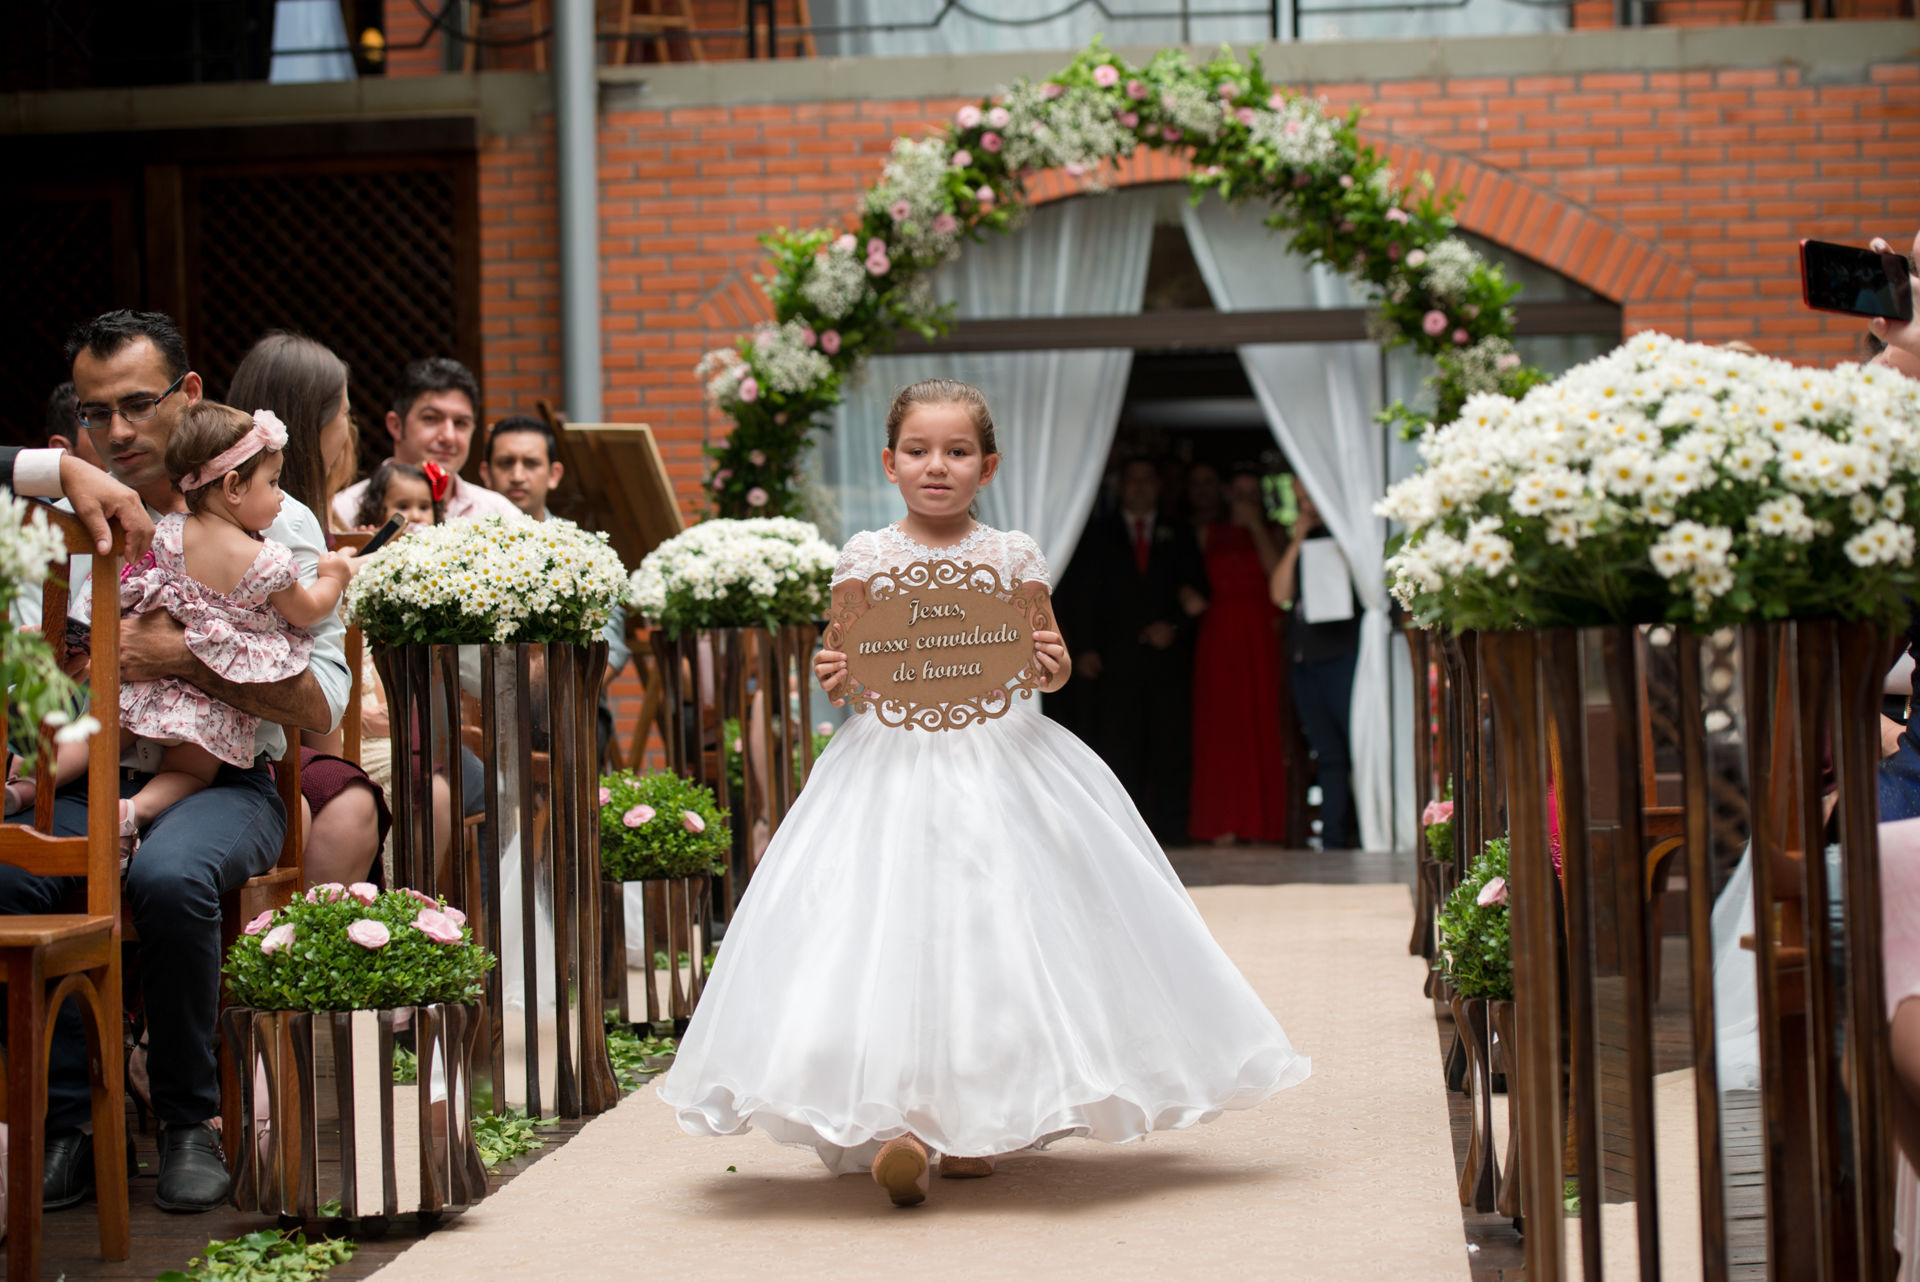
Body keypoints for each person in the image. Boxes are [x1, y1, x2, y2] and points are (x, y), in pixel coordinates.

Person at [656, 378, 1309, 1208]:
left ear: (987, 465)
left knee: (995, 932)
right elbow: (847, 672)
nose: (939, 466)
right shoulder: (865, 556)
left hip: (1000, 756)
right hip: (888, 764)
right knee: (888, 930)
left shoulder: (1014, 556)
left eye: (957, 452)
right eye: (920, 452)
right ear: (890, 463)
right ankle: (903, 1123)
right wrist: (836, 672)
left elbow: (1056, 657)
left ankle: (983, 1123)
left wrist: (1051, 667)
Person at [0, 310, 350, 1215]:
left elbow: (320, 705)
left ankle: (192, 1122)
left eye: (137, 404)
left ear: (190, 397)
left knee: (166, 876)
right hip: (88, 768)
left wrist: (179, 656)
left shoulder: (268, 516)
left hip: (229, 778)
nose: (116, 431)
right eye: (95, 411)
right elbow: (42, 688)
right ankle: (68, 1125)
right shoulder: (57, 531)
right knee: (14, 866)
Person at [12, 405, 351, 861]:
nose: (279, 497)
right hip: (204, 706)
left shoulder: (164, 532)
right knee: (191, 770)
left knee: (97, 734)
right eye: (273, 483)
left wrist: (81, 635)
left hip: (141, 688)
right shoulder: (267, 560)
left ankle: (28, 779)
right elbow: (307, 612)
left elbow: (126, 590)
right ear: (233, 487)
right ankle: (132, 811)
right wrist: (335, 576)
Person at [227, 330, 392, 889]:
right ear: (314, 422)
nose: (348, 429)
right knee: (368, 794)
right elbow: (321, 723)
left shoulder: (219, 507)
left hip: (243, 736)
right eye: (344, 413)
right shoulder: (290, 523)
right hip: (271, 739)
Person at [1063, 457, 1208, 843]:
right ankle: (1123, 840)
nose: (1141, 487)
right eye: (1133, 479)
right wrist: (1083, 649)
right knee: (1117, 751)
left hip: (1167, 664)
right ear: (1120, 486)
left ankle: (1174, 838)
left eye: (1148, 479)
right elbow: (1078, 598)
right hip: (1113, 664)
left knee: (1170, 750)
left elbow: (1201, 595)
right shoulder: (1095, 533)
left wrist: (1174, 626)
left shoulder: (1179, 532)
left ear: (1159, 486)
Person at [1187, 465, 1287, 845]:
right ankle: (1222, 822)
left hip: (1259, 635)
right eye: (1239, 493)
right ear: (1227, 494)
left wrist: (1256, 528)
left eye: (1252, 494)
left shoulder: (1276, 533)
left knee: (1259, 722)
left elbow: (1279, 582)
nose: (1244, 501)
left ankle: (1258, 823)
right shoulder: (1205, 532)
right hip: (1219, 637)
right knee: (1219, 727)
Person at [1269, 476, 1361, 850]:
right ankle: (1334, 837)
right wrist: (1296, 541)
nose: (1306, 507)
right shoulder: (1304, 539)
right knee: (1327, 753)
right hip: (1306, 659)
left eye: (1311, 498)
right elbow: (1279, 594)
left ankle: (1359, 829)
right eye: (1300, 499)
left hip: (1342, 654)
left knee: (1354, 746)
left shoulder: (1352, 536)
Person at [330, 357, 520, 527]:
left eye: (461, 423)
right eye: (431, 419)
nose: (449, 436)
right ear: (396, 425)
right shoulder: (344, 511)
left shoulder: (499, 514)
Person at [352, 459, 443, 531]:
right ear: (376, 511)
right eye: (403, 507)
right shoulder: (374, 542)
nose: (416, 516)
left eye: (423, 507)